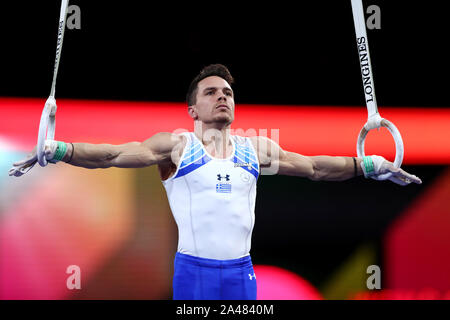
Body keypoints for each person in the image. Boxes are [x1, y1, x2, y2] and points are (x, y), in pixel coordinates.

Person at [9, 64, 422, 300]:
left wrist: (370, 165)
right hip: (194, 274)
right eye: (211, 92)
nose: (222, 96)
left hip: (242, 275)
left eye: (227, 91)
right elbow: (114, 155)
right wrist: (61, 150)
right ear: (192, 108)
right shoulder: (176, 147)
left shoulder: (256, 149)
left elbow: (314, 167)